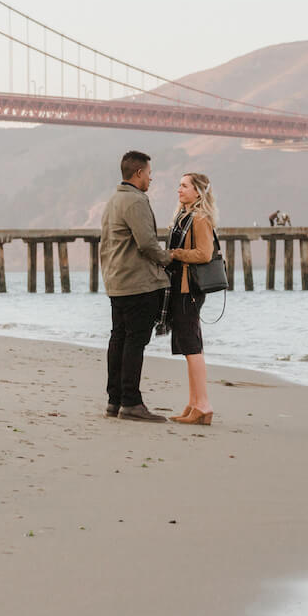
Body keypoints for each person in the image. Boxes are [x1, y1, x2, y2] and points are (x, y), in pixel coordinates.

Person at [99, 151, 172, 423]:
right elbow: (147, 243)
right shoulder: (136, 201)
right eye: (149, 173)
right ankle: (131, 402)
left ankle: (114, 400)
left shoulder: (113, 200)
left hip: (116, 281)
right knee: (135, 341)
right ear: (139, 173)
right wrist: (168, 258)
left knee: (118, 338)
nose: (151, 178)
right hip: (136, 283)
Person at [164, 172, 218, 426]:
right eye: (180, 185)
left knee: (192, 347)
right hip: (179, 287)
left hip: (189, 289)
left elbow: (205, 254)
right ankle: (194, 402)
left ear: (198, 192)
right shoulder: (183, 217)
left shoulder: (199, 219)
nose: (179, 189)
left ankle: (203, 404)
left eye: (185, 186)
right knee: (188, 347)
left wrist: (176, 254)